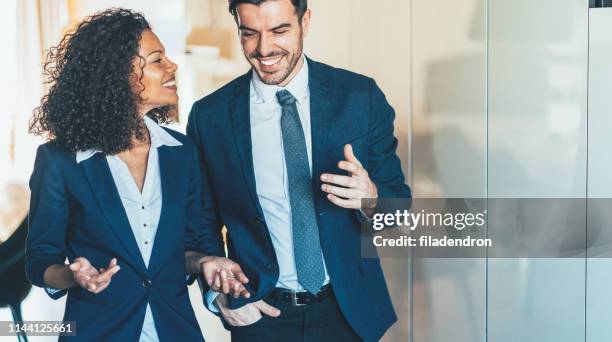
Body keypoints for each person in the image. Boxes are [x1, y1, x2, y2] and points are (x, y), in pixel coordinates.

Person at [186, 0, 411, 341]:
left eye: (279, 31)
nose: (264, 49)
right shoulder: (210, 116)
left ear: (305, 22)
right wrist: (218, 294)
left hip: (349, 311)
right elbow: (201, 222)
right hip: (261, 314)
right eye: (249, 33)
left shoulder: (359, 97)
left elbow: (398, 205)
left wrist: (370, 200)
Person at [25, 8, 249, 341]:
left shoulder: (183, 153)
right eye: (157, 59)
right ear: (117, 74)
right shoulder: (60, 161)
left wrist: (205, 261)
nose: (172, 66)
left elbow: (190, 245)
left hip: (175, 330)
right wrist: (74, 276)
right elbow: (40, 260)